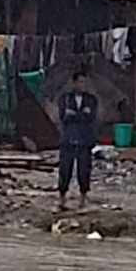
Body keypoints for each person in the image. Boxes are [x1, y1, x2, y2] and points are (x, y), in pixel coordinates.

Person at [56, 70, 99, 210]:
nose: (83, 85)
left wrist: (75, 115)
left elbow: (90, 117)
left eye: (85, 82)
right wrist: (81, 114)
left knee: (84, 170)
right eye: (80, 82)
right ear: (74, 83)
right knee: (65, 169)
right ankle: (62, 198)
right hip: (68, 139)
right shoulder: (65, 98)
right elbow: (64, 117)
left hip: (84, 139)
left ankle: (83, 198)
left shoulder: (91, 100)